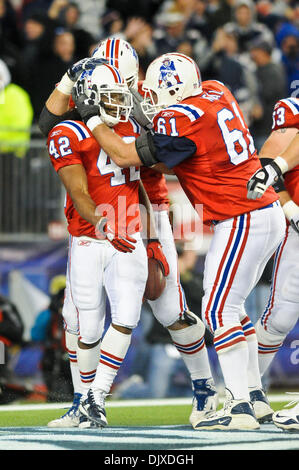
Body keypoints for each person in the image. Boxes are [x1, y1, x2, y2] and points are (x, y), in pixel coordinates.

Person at [72, 52, 287, 430]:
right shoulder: (216, 91)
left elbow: (124, 155)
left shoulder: (179, 118)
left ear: (174, 89)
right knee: (233, 309)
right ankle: (254, 397)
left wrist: (92, 116)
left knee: (217, 311)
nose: (151, 102)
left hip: (241, 216)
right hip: (263, 212)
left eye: (156, 94)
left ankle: (238, 406)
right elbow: (171, 158)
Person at [41, 38, 218, 429]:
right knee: (78, 319)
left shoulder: (140, 105)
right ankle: (83, 403)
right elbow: (50, 126)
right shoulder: (82, 113)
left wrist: (154, 238)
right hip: (99, 222)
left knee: (169, 309)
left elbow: (138, 166)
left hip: (145, 216)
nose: (119, 94)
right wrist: (74, 85)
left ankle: (205, 391)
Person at [45, 61, 152, 428]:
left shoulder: (132, 125)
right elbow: (77, 191)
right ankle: (81, 403)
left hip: (130, 233)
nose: (120, 103)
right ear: (90, 97)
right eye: (110, 96)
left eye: (120, 95)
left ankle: (96, 400)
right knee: (87, 328)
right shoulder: (68, 132)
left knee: (126, 319)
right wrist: (103, 221)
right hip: (90, 238)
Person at [249, 96, 299, 432]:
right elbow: (264, 167)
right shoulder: (290, 114)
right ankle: (246, 391)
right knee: (280, 315)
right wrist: (291, 209)